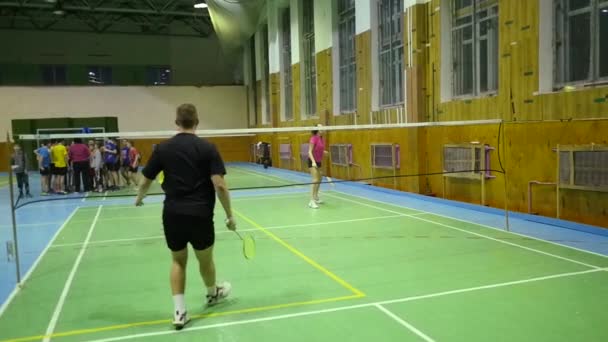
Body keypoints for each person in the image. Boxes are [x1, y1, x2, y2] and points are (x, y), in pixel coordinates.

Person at [135, 103, 235, 330]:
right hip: (200, 214)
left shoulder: (162, 149)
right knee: (205, 259)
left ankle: (179, 313)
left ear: (176, 122)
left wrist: (139, 197)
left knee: (178, 260)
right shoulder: (208, 148)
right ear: (197, 122)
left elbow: (146, 179)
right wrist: (230, 215)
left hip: (172, 214)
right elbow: (219, 185)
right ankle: (212, 294)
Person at [307, 125, 328, 209]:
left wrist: (324, 152)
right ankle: (311, 201)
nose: (322, 127)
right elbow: (309, 151)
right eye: (320, 127)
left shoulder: (322, 138)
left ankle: (315, 197)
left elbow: (319, 149)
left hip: (319, 161)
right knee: (315, 179)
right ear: (318, 130)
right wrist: (313, 162)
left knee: (320, 178)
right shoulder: (314, 138)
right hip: (312, 161)